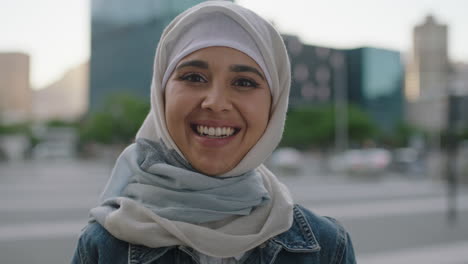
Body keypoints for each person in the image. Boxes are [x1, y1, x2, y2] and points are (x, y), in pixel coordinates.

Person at [72, 1, 356, 263]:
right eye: (194, 77)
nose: (216, 103)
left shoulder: (327, 248)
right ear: (161, 95)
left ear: (274, 104)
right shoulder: (104, 247)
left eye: (244, 82)